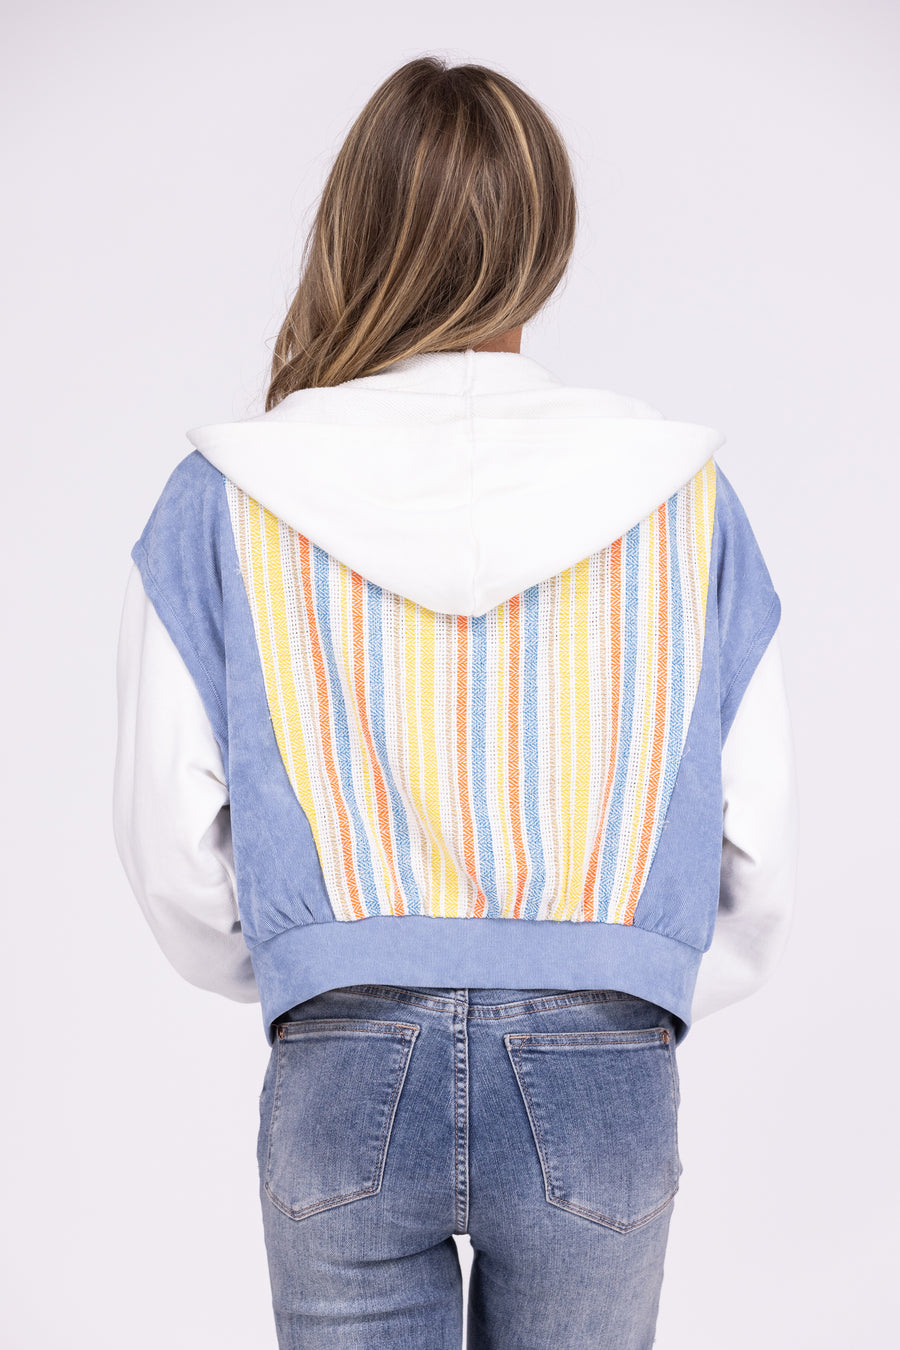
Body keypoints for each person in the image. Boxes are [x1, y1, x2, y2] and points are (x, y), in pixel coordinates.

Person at [113, 54, 799, 1350]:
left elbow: (169, 845)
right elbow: (757, 851)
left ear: (357, 225)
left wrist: (316, 962)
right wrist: (631, 978)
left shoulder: (230, 493)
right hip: (607, 1056)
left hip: (343, 1045)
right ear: (546, 237)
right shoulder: (683, 497)